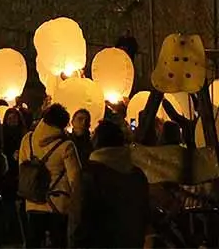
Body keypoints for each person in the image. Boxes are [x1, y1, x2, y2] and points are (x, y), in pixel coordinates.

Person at [17, 103, 82, 249]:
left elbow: (22, 167)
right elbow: (75, 178)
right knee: (59, 243)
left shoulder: (27, 139)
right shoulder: (66, 145)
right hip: (58, 204)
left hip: (32, 201)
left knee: (33, 243)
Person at [77, 120, 150, 248]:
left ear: (97, 141)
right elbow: (143, 215)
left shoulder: (90, 174)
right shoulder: (137, 175)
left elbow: (78, 220)